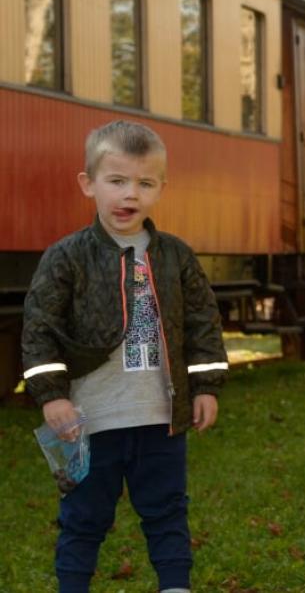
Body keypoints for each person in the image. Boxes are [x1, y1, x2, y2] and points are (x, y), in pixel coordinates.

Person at [21, 120, 228, 593]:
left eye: (144, 183)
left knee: (167, 510)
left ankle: (175, 585)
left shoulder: (175, 256)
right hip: (85, 422)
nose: (128, 194)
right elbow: (39, 331)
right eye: (116, 181)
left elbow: (203, 324)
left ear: (160, 188)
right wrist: (51, 396)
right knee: (83, 518)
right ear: (88, 183)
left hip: (160, 419)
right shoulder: (66, 257)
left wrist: (207, 386)